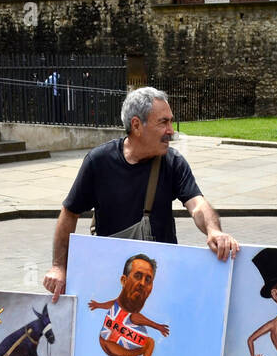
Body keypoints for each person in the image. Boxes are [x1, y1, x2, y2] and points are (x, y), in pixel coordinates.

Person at [42, 86, 238, 301]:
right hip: (111, 277)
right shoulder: (99, 161)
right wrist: (59, 267)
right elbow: (69, 213)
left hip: (160, 278)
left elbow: (198, 204)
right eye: (163, 122)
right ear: (136, 125)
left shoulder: (173, 163)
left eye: (171, 121)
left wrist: (214, 230)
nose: (171, 130)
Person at [87, 253, 169, 356]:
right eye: (138, 276)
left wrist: (98, 305)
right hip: (112, 345)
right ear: (124, 280)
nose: (142, 283)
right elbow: (139, 319)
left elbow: (111, 304)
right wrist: (158, 326)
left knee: (136, 339)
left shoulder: (118, 306)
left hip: (106, 341)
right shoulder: (133, 315)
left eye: (148, 279)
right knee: (149, 343)